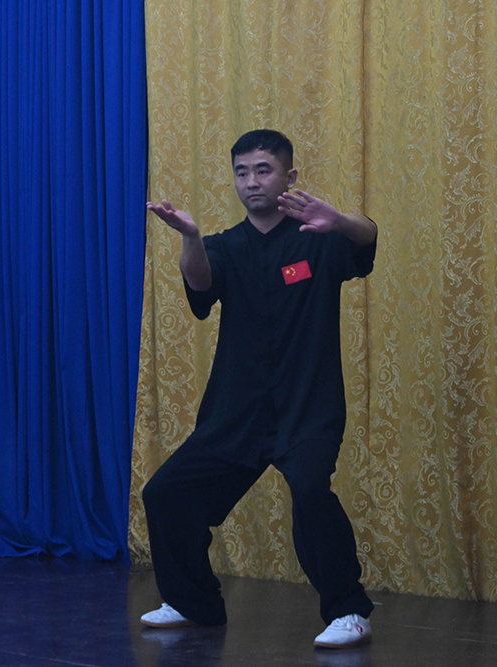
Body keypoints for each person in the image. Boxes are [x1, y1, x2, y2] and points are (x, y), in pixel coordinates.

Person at [141, 129, 378, 649]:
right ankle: (194, 602)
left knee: (311, 493)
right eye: (242, 172)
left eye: (263, 170)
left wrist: (340, 220)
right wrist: (190, 237)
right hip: (237, 411)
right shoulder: (225, 245)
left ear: (289, 177)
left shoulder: (318, 235)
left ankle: (349, 611)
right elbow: (201, 285)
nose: (251, 181)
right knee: (166, 495)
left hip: (307, 406)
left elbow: (366, 239)